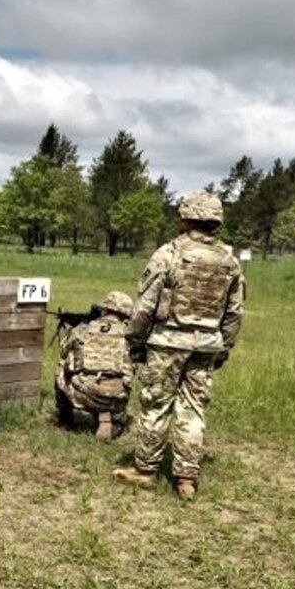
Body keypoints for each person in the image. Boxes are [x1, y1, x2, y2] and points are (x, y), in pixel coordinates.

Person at [112, 191, 245, 500]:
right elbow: (235, 311)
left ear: (187, 218)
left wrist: (134, 339)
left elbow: (146, 305)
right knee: (193, 409)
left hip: (168, 343)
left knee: (156, 404)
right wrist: (223, 346)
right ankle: (186, 478)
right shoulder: (229, 260)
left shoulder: (170, 253)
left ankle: (145, 470)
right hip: (207, 346)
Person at [54, 290, 136, 441]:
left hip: (84, 392)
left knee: (61, 366)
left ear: (104, 309)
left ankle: (66, 419)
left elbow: (64, 350)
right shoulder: (130, 335)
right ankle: (110, 419)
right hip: (116, 397)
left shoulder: (83, 328)